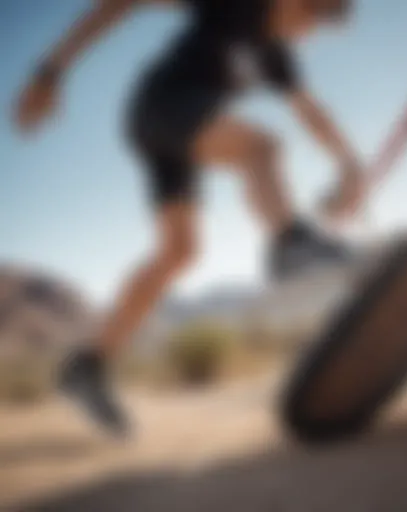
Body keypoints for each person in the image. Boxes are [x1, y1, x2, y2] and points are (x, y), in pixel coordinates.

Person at [15, 0, 365, 436]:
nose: (311, 33)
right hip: (160, 106)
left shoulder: (277, 55)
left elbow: (310, 109)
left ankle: (89, 365)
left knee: (180, 251)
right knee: (261, 147)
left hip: (171, 130)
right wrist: (50, 71)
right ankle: (288, 245)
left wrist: (349, 163)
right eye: (317, 16)